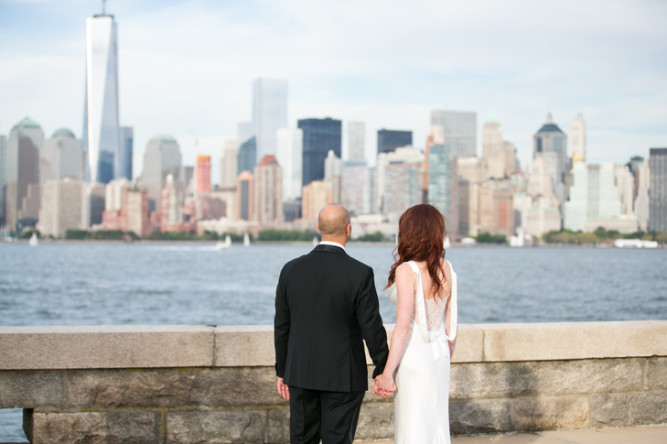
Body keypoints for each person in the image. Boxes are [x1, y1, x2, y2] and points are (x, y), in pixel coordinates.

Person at [274, 204, 389, 444]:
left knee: (302, 440)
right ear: (349, 229)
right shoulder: (360, 273)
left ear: (318, 228)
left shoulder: (290, 269)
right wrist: (383, 368)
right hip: (342, 377)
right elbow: (371, 327)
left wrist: (282, 371)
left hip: (300, 374)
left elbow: (282, 326)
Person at [373, 203, 458, 443]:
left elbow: (403, 327)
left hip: (415, 355)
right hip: (440, 354)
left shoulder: (406, 270)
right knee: (436, 421)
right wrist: (445, 355)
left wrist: (387, 374)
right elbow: (451, 326)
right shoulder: (448, 269)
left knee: (412, 425)